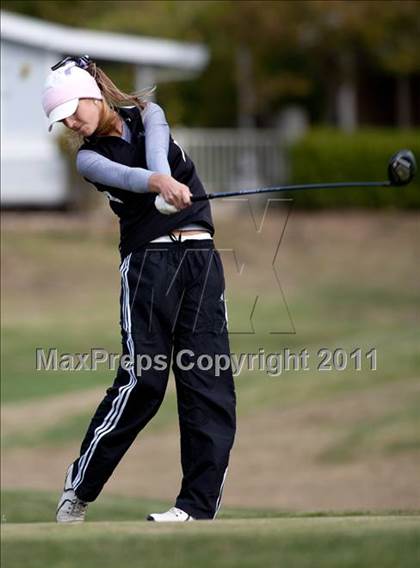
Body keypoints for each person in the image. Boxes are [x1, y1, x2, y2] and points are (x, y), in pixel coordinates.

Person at [41, 56, 236, 523]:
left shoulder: (150, 114)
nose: (71, 121)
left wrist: (162, 179)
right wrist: (159, 183)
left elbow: (155, 151)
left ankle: (195, 509)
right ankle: (80, 488)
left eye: (72, 109)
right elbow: (131, 177)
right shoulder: (89, 157)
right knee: (144, 381)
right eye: (62, 118)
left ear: (92, 91)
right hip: (148, 266)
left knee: (208, 383)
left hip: (200, 259)